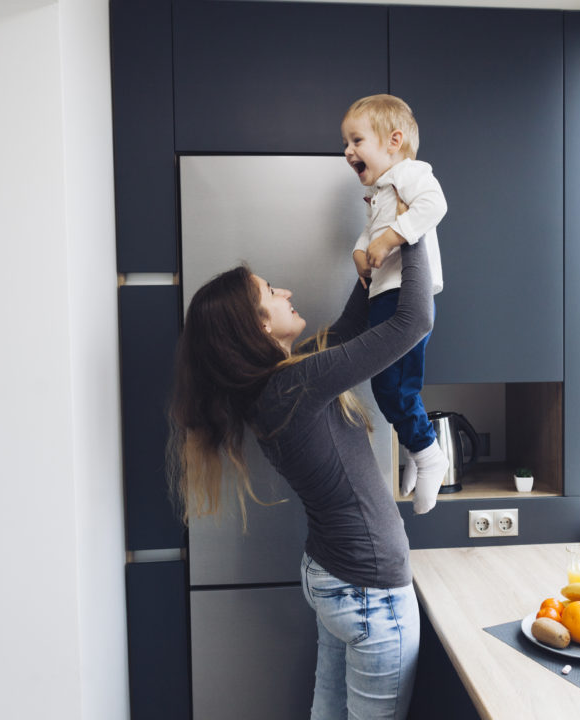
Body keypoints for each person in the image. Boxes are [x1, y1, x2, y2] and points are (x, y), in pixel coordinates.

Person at [167, 220, 435, 719]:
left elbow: (351, 331)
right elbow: (413, 322)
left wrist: (371, 264)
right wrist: (412, 226)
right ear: (260, 326)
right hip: (366, 592)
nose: (285, 290)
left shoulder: (280, 384)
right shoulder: (296, 385)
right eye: (270, 291)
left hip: (335, 578)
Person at [342, 93, 448, 514]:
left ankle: (428, 454)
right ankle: (416, 450)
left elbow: (434, 206)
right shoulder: (385, 188)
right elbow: (372, 231)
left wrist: (390, 237)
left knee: (393, 385)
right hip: (386, 291)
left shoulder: (411, 173)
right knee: (388, 384)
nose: (348, 152)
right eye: (345, 144)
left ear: (393, 141)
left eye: (356, 140)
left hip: (407, 292)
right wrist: (361, 248)